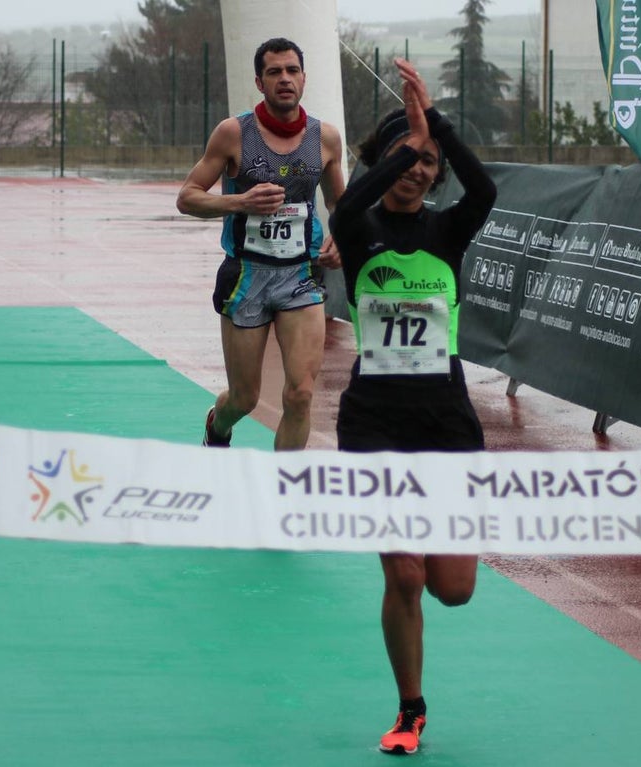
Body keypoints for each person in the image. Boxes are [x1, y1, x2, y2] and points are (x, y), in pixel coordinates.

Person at [328, 58, 497, 756]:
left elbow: (485, 186)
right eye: (406, 157)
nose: (418, 169)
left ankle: (415, 660)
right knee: (404, 572)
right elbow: (340, 208)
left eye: (428, 162)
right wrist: (402, 141)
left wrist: (439, 128)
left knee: (452, 589)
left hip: (447, 424)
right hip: (375, 424)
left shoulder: (449, 231)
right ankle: (409, 708)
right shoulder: (360, 230)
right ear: (384, 158)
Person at [176, 37, 345, 450]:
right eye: (274, 72)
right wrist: (239, 201)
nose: (284, 79)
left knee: (300, 393)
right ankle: (219, 424)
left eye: (291, 70)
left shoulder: (326, 138)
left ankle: (281, 492)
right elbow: (187, 197)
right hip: (246, 277)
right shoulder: (233, 133)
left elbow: (340, 203)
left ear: (304, 78)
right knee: (245, 398)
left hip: (301, 276)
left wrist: (341, 238)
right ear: (259, 81)